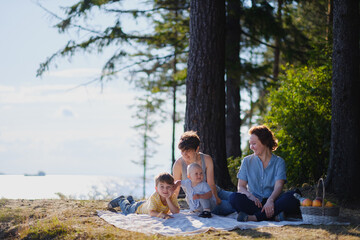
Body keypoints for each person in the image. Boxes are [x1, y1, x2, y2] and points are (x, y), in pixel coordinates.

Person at [229, 125, 301, 222]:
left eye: (254, 143)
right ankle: (274, 216)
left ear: (265, 142)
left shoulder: (279, 162)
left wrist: (270, 200)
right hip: (253, 202)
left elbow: (279, 186)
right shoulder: (246, 161)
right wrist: (251, 196)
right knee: (234, 198)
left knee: (294, 196)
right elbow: (241, 187)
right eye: (250, 144)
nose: (251, 147)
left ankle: (254, 217)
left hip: (274, 201)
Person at [173, 130, 236, 216]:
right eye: (182, 150)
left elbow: (211, 183)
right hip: (201, 200)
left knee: (238, 198)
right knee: (230, 206)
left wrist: (216, 198)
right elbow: (176, 189)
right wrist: (172, 206)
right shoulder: (178, 164)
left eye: (188, 150)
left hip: (215, 192)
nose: (184, 154)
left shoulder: (206, 159)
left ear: (197, 149)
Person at [108, 172, 180, 219]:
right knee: (127, 209)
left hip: (145, 204)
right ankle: (122, 200)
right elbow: (151, 212)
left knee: (135, 204)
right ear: (156, 189)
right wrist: (163, 215)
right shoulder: (155, 196)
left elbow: (175, 212)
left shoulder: (172, 196)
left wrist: (168, 199)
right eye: (162, 186)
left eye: (168, 187)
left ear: (172, 187)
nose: (165, 190)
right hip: (137, 209)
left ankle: (131, 200)